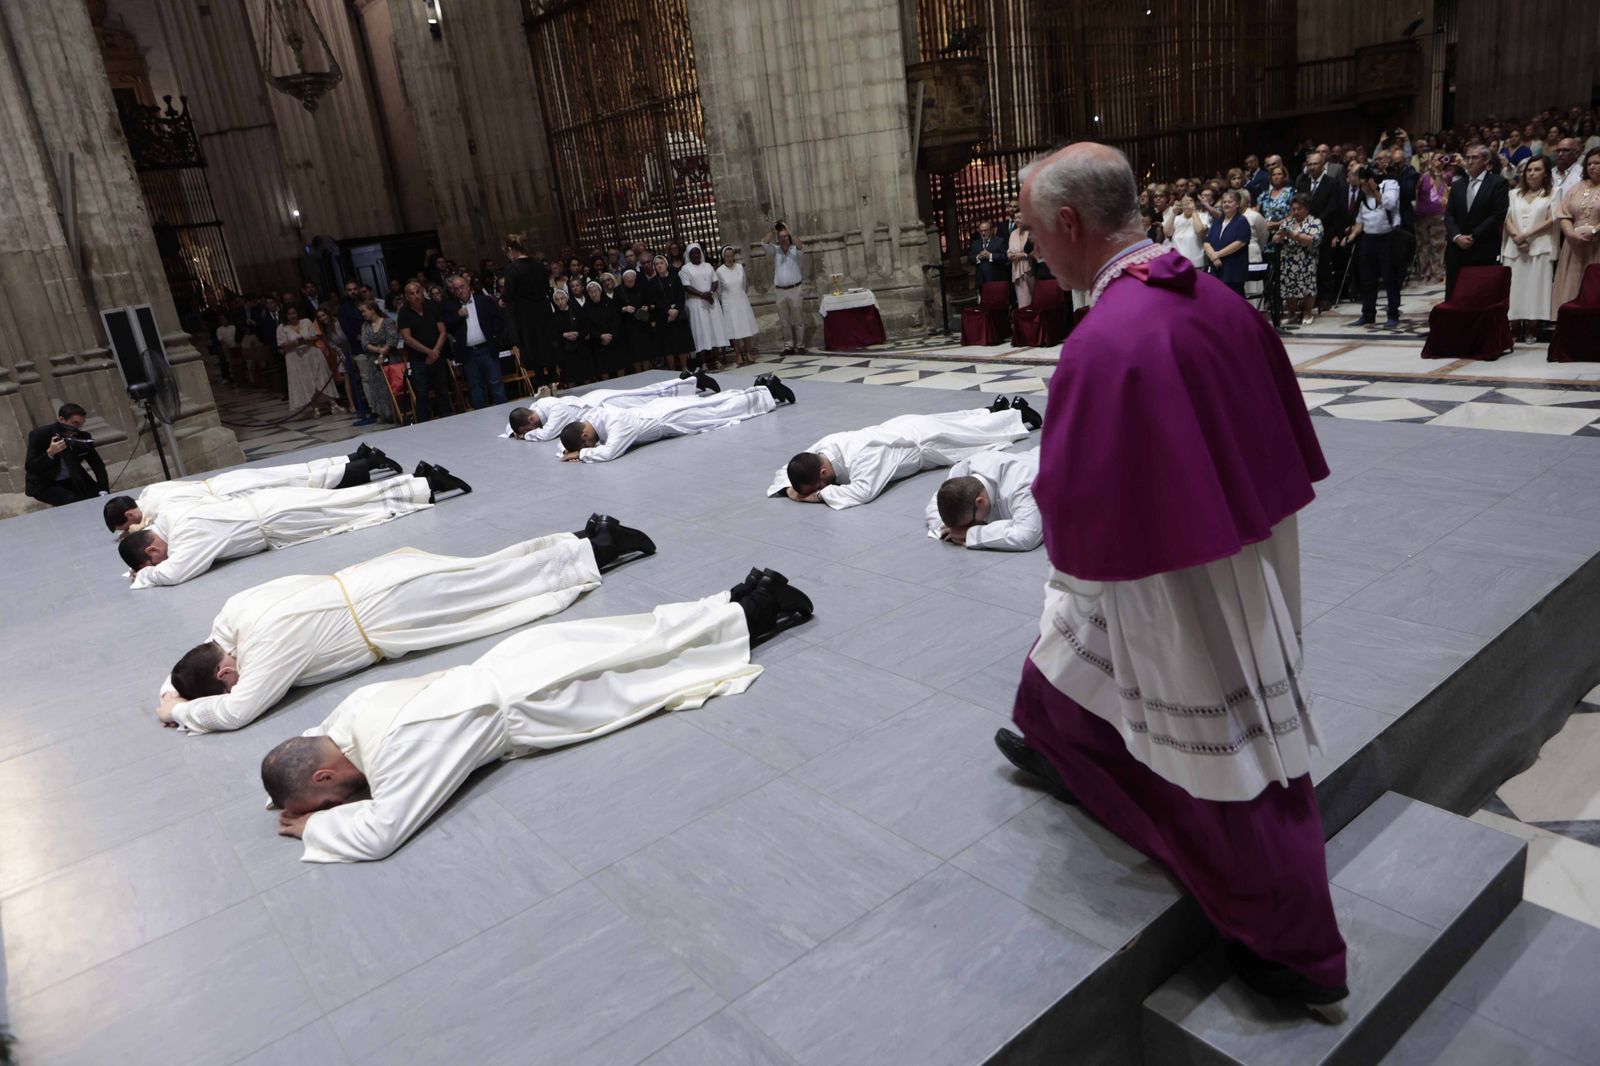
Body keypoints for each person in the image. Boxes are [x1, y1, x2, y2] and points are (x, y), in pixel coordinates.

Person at [1001, 142, 1345, 1015]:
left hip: (1173, 574)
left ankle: (1289, 944)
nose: (1036, 253)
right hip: (1233, 538)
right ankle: (1055, 746)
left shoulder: (1107, 337)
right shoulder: (1210, 299)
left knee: (1221, 742)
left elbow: (1072, 499)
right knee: (1066, 654)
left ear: (1071, 224)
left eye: (1036, 236)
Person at [261, 569, 814, 862]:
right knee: (634, 635)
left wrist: (318, 825)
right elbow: (305, 741)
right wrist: (289, 790)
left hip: (538, 700)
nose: (342, 803)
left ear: (324, 774)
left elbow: (382, 833)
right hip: (517, 659)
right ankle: (738, 594)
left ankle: (762, 607)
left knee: (654, 670)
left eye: (331, 797)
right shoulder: (351, 712)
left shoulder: (397, 752)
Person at [157, 517, 656, 733]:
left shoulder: (263, 658)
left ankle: (599, 548)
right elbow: (205, 649)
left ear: (224, 677)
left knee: (495, 593)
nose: (237, 675)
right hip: (375, 577)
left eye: (228, 679)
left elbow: (240, 711)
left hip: (392, 611)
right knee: (486, 571)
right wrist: (175, 689)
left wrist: (178, 711)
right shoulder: (236, 613)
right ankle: (580, 539)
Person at [119, 465, 471, 589]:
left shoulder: (184, 540)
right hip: (267, 509)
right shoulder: (168, 517)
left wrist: (145, 577)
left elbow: (177, 572)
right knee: (348, 507)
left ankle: (425, 485)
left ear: (152, 549)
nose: (161, 563)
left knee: (350, 510)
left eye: (155, 560)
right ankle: (420, 483)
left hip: (276, 519)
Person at [771, 397, 1038, 509]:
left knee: (976, 438)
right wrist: (792, 489)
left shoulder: (865, 456)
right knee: (961, 422)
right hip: (900, 426)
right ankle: (995, 409)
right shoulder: (822, 449)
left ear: (824, 471)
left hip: (922, 441)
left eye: (819, 485)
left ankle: (1020, 415)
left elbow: (862, 492)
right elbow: (788, 468)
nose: (819, 489)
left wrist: (812, 498)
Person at [103, 444, 400, 536]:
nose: (131, 527)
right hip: (228, 483)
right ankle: (356, 456)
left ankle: (365, 464)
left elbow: (160, 523)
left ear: (130, 513)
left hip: (234, 494)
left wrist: (138, 529)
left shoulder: (156, 510)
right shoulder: (151, 491)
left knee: (305, 484)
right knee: (299, 471)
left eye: (126, 524)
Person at [559, 376, 793, 463]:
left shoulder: (613, 424)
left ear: (585, 435)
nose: (592, 446)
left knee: (717, 412)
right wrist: (569, 450)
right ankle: (758, 390)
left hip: (669, 418)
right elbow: (572, 435)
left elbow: (610, 453)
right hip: (660, 411)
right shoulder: (592, 418)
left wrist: (581, 453)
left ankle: (767, 391)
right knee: (712, 405)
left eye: (587, 444)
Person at [504, 375, 712, 441]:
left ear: (531, 420)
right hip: (597, 403)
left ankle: (690, 381)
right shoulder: (538, 405)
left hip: (605, 404)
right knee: (648, 397)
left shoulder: (556, 411)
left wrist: (527, 436)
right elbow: (516, 420)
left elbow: (547, 434)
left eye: (527, 430)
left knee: (648, 396)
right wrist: (514, 431)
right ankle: (689, 384)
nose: (529, 432)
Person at [925, 446, 1042, 551]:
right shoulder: (961, 471)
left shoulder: (1022, 486)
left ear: (980, 502)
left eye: (969, 523)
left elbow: (1026, 536)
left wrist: (970, 533)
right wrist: (945, 528)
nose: (957, 532)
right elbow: (935, 502)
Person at [1339, 165, 1403, 327]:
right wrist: (1352, 236)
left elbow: (1389, 204)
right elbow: (1360, 220)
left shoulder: (1390, 185)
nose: (1361, 187)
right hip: (1369, 239)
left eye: (1363, 182)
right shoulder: (1362, 195)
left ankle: (1393, 314)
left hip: (1388, 237)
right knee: (1367, 279)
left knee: (1390, 278)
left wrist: (1374, 189)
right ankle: (1368, 314)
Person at [1445, 144, 1511, 298]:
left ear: (1486, 160)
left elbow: (1498, 214)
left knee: (1482, 293)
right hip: (1457, 247)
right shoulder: (1457, 185)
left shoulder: (1497, 182)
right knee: (1455, 293)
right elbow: (1449, 215)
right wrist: (1457, 236)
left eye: (1474, 157)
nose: (1469, 161)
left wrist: (1474, 236)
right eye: (1467, 157)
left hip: (1483, 245)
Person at [1504, 157, 1558, 341]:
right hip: (1515, 248)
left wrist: (1526, 236)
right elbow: (1507, 219)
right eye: (1529, 170)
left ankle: (1531, 327)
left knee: (1536, 289)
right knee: (1514, 288)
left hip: (1540, 247)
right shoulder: (1514, 194)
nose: (1532, 173)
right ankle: (1513, 326)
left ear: (1545, 173)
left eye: (1537, 170)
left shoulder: (1553, 193)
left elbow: (1552, 220)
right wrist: (1517, 237)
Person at [442, 274, 507, 409]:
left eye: (462, 287)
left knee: (495, 382)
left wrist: (495, 336)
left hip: (487, 348)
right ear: (452, 291)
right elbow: (446, 326)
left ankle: (504, 413)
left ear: (468, 286)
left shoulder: (484, 300)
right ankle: (480, 418)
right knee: (475, 386)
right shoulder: (450, 306)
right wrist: (458, 316)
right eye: (456, 289)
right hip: (468, 352)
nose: (460, 291)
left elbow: (498, 319)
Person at [24, 403, 107, 506]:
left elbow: (97, 464)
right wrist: (50, 453)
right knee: (73, 501)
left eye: (81, 424)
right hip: (46, 482)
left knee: (98, 498)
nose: (78, 429)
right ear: (62, 419)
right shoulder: (40, 435)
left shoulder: (82, 436)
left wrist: (103, 489)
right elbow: (31, 467)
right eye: (74, 423)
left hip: (73, 477)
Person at [501, 233, 554, 389]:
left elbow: (509, 294)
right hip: (543, 308)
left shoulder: (512, 268)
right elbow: (546, 287)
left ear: (510, 249)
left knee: (532, 345)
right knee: (546, 343)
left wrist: (502, 300)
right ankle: (553, 379)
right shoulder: (539, 264)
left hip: (526, 312)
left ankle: (542, 384)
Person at [396, 280, 452, 421]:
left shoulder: (433, 306)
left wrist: (435, 352)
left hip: (437, 354)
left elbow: (443, 332)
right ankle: (424, 424)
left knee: (443, 390)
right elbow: (407, 338)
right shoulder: (404, 313)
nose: (416, 296)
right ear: (407, 296)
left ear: (422, 291)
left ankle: (448, 420)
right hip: (418, 359)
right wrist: (429, 352)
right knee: (421, 393)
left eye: (418, 292)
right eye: (412, 293)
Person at [1553, 147, 1600, 309]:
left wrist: (1594, 230)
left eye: (1597, 163)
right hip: (1573, 244)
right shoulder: (1577, 187)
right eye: (1589, 164)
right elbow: (1564, 213)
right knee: (1572, 285)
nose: (1592, 167)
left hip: (1597, 244)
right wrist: (1570, 233)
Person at [279, 305, 342, 418]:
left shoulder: (306, 322)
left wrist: (306, 339)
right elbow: (281, 345)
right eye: (289, 314)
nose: (293, 315)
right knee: (306, 382)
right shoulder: (281, 327)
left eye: (294, 312)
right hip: (296, 358)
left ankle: (333, 404)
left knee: (321, 378)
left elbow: (315, 336)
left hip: (312, 353)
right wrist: (293, 343)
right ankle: (315, 408)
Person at [1274, 193, 1324, 326]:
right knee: (1289, 288)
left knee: (1307, 286)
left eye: (1299, 209)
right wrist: (1280, 237)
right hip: (1288, 260)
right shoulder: (1287, 222)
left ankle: (1308, 312)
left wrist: (1294, 235)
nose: (1295, 212)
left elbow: (1313, 240)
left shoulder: (1314, 222)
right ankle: (1292, 314)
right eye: (1293, 209)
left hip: (1306, 259)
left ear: (1306, 208)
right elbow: (1277, 238)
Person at [760, 223, 807, 354]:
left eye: (786, 237)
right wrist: (772, 230)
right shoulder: (775, 250)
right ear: (778, 239)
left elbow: (801, 246)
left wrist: (790, 231)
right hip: (780, 291)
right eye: (781, 237)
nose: (783, 239)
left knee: (798, 319)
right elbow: (764, 243)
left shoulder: (794, 250)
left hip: (795, 289)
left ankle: (801, 345)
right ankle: (788, 346)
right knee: (784, 321)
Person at [679, 243, 727, 370]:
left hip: (711, 301)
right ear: (689, 255)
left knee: (714, 329)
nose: (696, 255)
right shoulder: (685, 269)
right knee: (700, 331)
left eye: (697, 252)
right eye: (693, 253)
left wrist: (710, 293)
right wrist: (703, 295)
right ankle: (703, 362)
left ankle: (717, 359)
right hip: (696, 304)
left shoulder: (708, 266)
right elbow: (686, 287)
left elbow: (715, 282)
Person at [651, 254, 696, 371]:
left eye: (661, 263)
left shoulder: (675, 277)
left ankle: (684, 367)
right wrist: (668, 311)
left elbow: (681, 294)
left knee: (682, 343)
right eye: (656, 264)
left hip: (678, 313)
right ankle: (672, 368)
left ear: (666, 264)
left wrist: (676, 309)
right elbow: (656, 300)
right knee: (668, 345)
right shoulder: (653, 282)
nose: (659, 266)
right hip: (664, 316)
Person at [1203, 191, 1251, 296]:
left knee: (1235, 302)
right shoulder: (1217, 222)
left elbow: (1240, 243)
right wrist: (1214, 257)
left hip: (1233, 270)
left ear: (1237, 204)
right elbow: (1207, 242)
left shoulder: (1241, 221)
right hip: (1216, 269)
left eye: (1230, 201)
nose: (1226, 204)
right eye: (1224, 202)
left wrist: (1218, 254)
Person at [356, 300, 397, 422]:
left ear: (372, 309)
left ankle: (396, 411)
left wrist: (385, 350)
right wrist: (379, 350)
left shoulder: (387, 322)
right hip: (373, 359)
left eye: (364, 311)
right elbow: (365, 343)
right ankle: (384, 413)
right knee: (378, 386)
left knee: (391, 385)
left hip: (390, 358)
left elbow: (392, 337)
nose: (363, 314)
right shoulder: (365, 326)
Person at [717, 246, 758, 366]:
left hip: (741, 299)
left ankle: (748, 352)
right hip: (729, 301)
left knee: (745, 326)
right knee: (734, 328)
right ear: (723, 257)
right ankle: (738, 354)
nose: (729, 259)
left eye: (731, 256)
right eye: (727, 256)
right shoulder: (719, 271)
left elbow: (744, 283)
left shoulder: (740, 267)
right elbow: (719, 290)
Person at [1414, 154, 1451, 285]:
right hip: (1422, 214)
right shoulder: (1423, 175)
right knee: (1423, 245)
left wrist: (1438, 173)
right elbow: (1417, 190)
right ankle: (1425, 273)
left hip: (1438, 214)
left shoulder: (1446, 175)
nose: (1439, 161)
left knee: (1438, 245)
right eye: (1436, 158)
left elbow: (1442, 189)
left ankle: (1438, 272)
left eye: (1442, 158)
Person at [548, 286, 592, 386]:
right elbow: (552, 334)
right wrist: (564, 335)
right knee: (570, 377)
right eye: (557, 299)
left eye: (562, 298)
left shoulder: (576, 311)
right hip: (565, 351)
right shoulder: (553, 317)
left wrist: (577, 334)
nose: (560, 302)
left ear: (566, 299)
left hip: (580, 347)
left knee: (585, 375)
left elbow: (586, 328)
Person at [616, 269, 657, 374]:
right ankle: (639, 373)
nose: (630, 283)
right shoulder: (618, 290)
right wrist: (624, 308)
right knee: (634, 352)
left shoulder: (642, 287)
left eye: (632, 281)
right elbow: (615, 309)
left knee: (645, 350)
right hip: (628, 326)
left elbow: (650, 303)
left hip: (642, 322)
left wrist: (646, 307)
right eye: (627, 281)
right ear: (623, 280)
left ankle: (647, 372)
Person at [582, 279, 625, 379]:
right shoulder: (586, 308)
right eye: (591, 292)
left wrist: (610, 335)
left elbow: (616, 320)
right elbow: (587, 326)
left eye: (596, 291)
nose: (594, 294)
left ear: (600, 291)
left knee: (619, 362)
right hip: (599, 342)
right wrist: (600, 336)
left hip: (614, 338)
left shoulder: (610, 302)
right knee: (603, 367)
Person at [1164, 195, 1210, 269]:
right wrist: (1173, 213)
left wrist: (1194, 212)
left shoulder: (1203, 216)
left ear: (1195, 203)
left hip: (1196, 262)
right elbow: (1167, 233)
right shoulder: (1176, 218)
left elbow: (1199, 231)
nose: (1187, 204)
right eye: (1184, 202)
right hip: (1177, 261)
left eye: (1190, 201)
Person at [1007, 208, 1035, 307]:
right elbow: (1009, 250)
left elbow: (1037, 252)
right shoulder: (1013, 233)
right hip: (1017, 270)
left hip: (1031, 269)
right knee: (1023, 301)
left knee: (1033, 298)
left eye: (1020, 217)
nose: (1017, 220)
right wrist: (1010, 255)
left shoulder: (1031, 231)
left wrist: (1022, 255)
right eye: (1015, 218)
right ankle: (1025, 320)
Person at [969, 220, 1009, 287]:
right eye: (981, 231)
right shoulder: (975, 243)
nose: (983, 233)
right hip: (981, 280)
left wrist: (990, 256)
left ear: (991, 230)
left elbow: (1005, 256)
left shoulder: (999, 241)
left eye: (985, 230)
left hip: (996, 279)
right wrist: (978, 257)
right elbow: (969, 259)